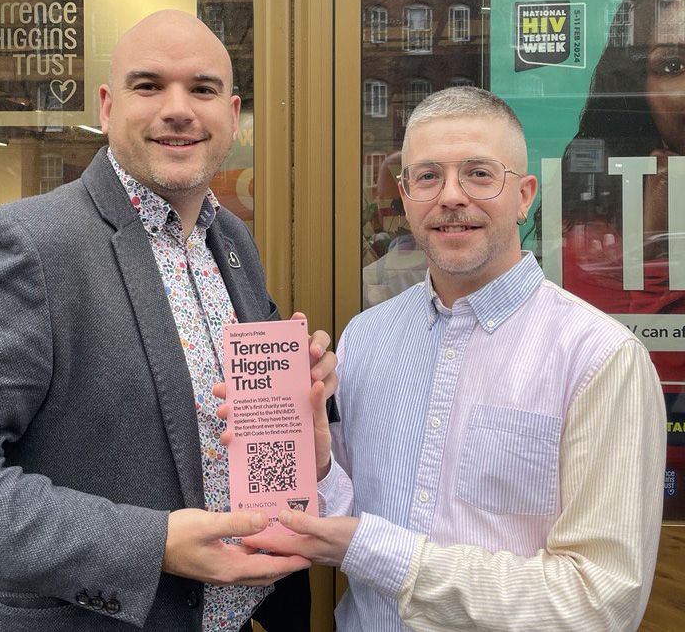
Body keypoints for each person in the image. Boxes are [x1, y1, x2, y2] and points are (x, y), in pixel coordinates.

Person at [0, 10, 336, 632]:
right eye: (149, 86)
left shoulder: (232, 241)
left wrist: (305, 415)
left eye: (202, 88)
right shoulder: (30, 245)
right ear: (107, 107)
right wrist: (150, 544)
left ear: (232, 111)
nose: (179, 109)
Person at [242, 87, 667, 631]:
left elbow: (599, 602)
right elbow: (338, 517)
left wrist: (386, 555)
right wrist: (316, 466)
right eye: (427, 176)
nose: (451, 196)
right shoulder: (367, 339)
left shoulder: (600, 360)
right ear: (405, 195)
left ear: (525, 195)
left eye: (480, 174)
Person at [560, 0, 685, 465]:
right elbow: (639, 380)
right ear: (639, 89)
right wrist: (653, 246)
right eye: (672, 66)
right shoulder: (596, 233)